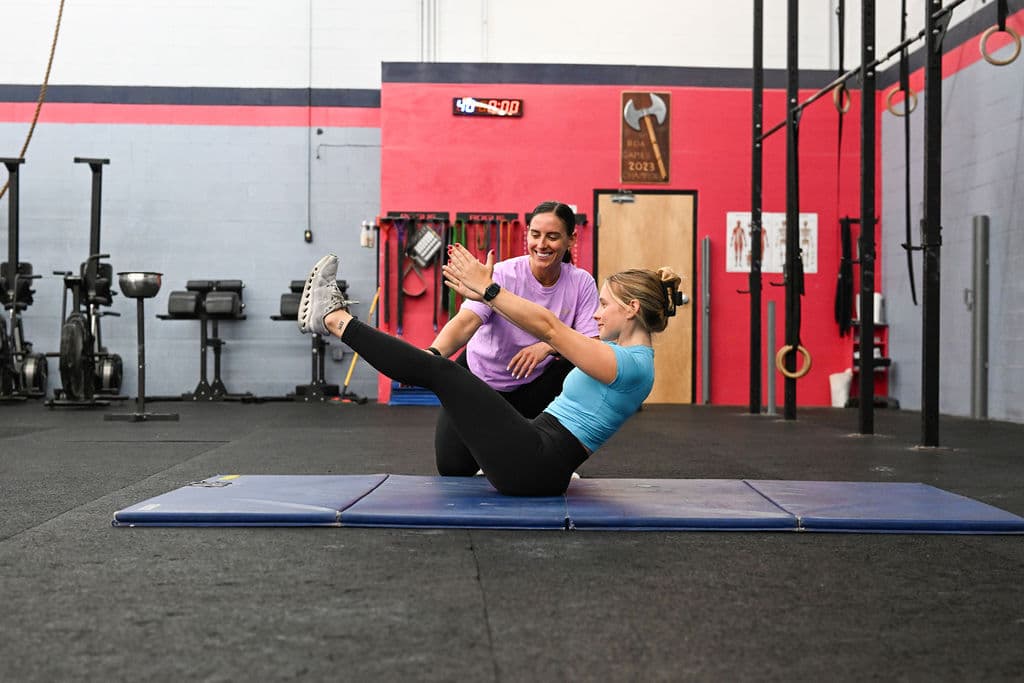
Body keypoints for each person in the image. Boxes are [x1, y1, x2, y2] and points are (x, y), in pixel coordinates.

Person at [298, 246, 682, 497]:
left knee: (443, 372)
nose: (597, 312)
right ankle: (342, 324)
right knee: (448, 374)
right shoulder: (618, 352)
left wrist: (490, 289)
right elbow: (548, 328)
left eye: (604, 304)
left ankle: (333, 319)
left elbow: (550, 328)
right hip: (535, 453)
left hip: (537, 465)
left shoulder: (632, 366)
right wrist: (485, 295)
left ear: (631, 309)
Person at [428, 201, 599, 476]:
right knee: (452, 468)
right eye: (535, 234)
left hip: (535, 383)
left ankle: (560, 457)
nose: (542, 244)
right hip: (482, 380)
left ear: (571, 239)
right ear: (527, 235)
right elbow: (464, 323)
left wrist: (547, 347)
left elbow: (592, 343)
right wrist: (432, 354)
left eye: (553, 237)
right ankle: (497, 454)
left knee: (583, 365)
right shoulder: (502, 275)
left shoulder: (581, 283)